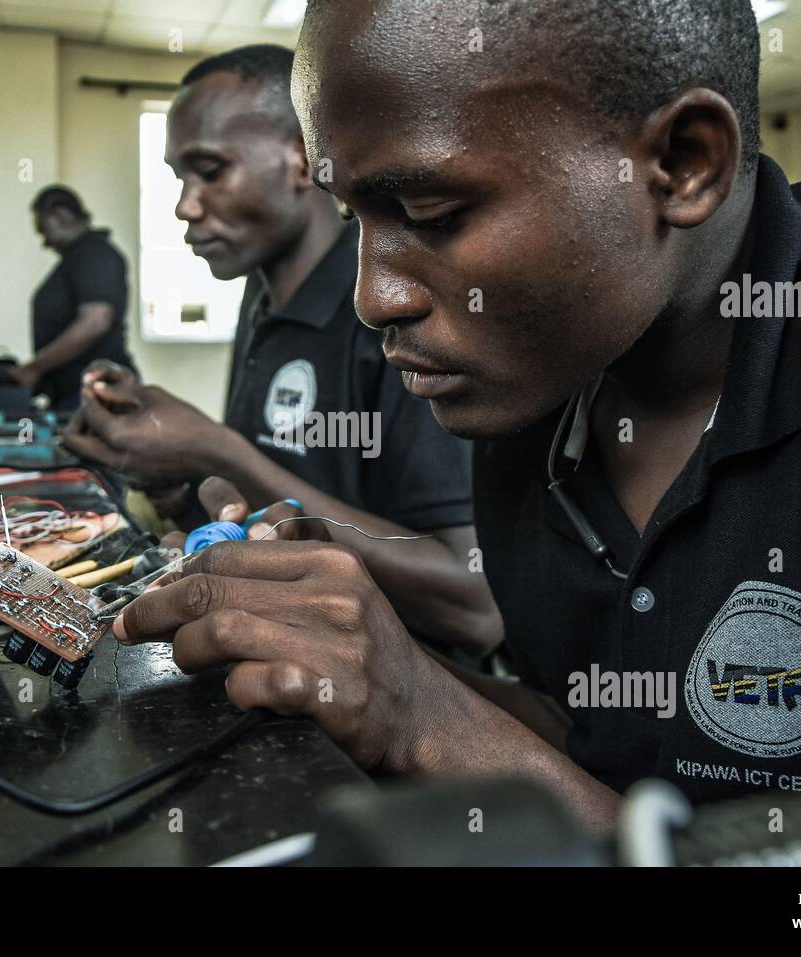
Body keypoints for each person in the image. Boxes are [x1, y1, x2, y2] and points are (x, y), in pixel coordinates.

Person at [105, 0, 801, 830]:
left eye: (430, 213)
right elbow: (598, 746)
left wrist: (425, 718)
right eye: (354, 217)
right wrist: (371, 658)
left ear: (682, 161)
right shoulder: (532, 385)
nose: (373, 298)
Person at [64, 45, 502, 657]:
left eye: (210, 170)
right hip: (275, 664)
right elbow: (276, 493)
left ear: (302, 161)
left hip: (393, 702)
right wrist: (183, 480)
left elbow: (473, 607)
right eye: (179, 179)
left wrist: (218, 448)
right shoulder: (261, 295)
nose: (185, 207)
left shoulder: (393, 305)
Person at [13, 186, 135, 410]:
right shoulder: (78, 257)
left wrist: (34, 369)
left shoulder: (94, 254)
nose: (44, 242)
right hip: (77, 395)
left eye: (43, 231)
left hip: (97, 395)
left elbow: (95, 321)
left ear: (61, 215)